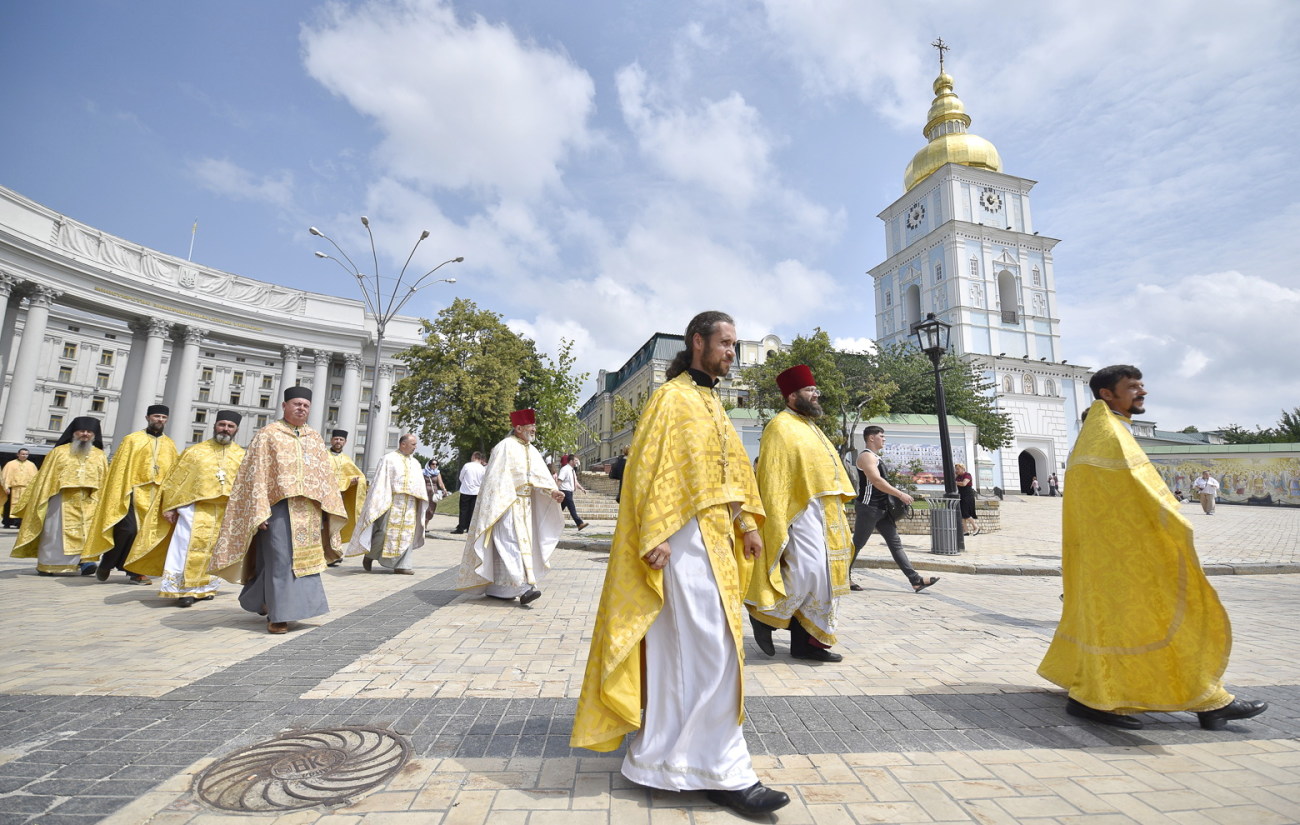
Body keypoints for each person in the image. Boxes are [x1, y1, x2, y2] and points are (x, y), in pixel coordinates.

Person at [572, 311, 788, 818]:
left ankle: (668, 760)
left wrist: (748, 524)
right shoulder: (670, 399)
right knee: (708, 650)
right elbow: (650, 472)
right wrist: (656, 535)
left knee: (693, 651)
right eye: (725, 343)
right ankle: (722, 771)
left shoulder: (712, 401)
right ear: (697, 342)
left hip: (716, 541)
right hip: (680, 542)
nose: (732, 352)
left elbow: (732, 470)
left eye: (735, 344)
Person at [1039, 364, 1266, 731]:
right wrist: (1175, 521)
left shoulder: (1103, 430)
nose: (1141, 391)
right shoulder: (1109, 433)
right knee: (1168, 619)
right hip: (1125, 556)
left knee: (1150, 624)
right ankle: (1095, 699)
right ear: (1106, 394)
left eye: (1142, 385)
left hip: (1117, 555)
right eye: (1132, 387)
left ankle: (1208, 703)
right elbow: (1142, 488)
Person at [209, 387, 347, 634]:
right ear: (284, 406)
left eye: (305, 405)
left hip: (309, 510)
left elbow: (325, 476)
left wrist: (327, 510)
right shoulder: (268, 435)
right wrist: (258, 510)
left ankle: (271, 602)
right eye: (296, 404)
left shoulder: (314, 438)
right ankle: (278, 615)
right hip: (278, 508)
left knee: (307, 562)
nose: (301, 408)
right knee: (280, 561)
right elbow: (254, 474)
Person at [747, 365, 856, 663]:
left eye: (815, 390)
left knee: (826, 577)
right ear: (792, 395)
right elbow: (773, 476)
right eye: (810, 391)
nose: (816, 395)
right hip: (799, 511)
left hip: (826, 511)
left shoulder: (811, 426)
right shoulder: (780, 426)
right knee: (807, 569)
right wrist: (776, 516)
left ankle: (808, 643)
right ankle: (764, 615)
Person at [124, 411, 246, 606]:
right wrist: (170, 507)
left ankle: (205, 588)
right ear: (215, 426)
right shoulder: (195, 452)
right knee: (185, 549)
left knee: (213, 552)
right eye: (222, 424)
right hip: (193, 510)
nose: (225, 429)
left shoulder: (241, 455)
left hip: (224, 511)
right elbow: (175, 481)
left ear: (236, 429)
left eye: (230, 426)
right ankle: (183, 590)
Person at [456, 409, 563, 604]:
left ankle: (499, 588)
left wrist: (552, 491)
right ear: (519, 428)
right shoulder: (504, 447)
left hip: (526, 506)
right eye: (531, 426)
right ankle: (523, 588)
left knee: (522, 545)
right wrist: (502, 500)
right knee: (511, 543)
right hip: (506, 504)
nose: (534, 429)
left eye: (535, 426)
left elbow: (541, 477)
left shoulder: (532, 449)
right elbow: (495, 479)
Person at [89, 405, 179, 585]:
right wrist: (121, 491)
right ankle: (108, 562)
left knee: (147, 535)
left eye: (163, 417)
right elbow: (120, 469)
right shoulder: (132, 440)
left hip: (157, 496)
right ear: (147, 418)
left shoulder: (169, 444)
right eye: (156, 416)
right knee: (128, 530)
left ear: (166, 420)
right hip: (133, 493)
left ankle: (136, 572)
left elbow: (174, 472)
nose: (159, 420)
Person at [10, 418, 107, 576]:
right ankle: (48, 565)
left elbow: (104, 479)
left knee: (86, 531)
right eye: (82, 431)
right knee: (54, 533)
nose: (85, 434)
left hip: (89, 500)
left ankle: (84, 562)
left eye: (89, 432)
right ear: (73, 432)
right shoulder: (59, 452)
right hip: (60, 499)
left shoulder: (99, 455)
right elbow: (45, 478)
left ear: (94, 435)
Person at [851, 426, 938, 593]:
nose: (884, 439)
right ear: (871, 438)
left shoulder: (875, 457)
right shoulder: (866, 456)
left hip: (882, 509)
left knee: (895, 544)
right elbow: (876, 481)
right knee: (858, 544)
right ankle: (841, 577)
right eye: (881, 436)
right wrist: (900, 494)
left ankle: (916, 580)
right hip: (869, 507)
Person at [350, 433, 428, 575]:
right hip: (391, 501)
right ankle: (370, 555)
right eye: (413, 444)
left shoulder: (416, 463)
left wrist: (421, 501)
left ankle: (402, 565)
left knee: (407, 534)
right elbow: (380, 481)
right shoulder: (388, 459)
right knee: (385, 532)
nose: (415, 447)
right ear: (403, 444)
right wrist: (379, 500)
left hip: (410, 503)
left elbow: (420, 484)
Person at [326, 430, 368, 561]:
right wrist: (347, 482)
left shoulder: (346, 460)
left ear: (345, 442)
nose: (338, 442)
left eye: (341, 440)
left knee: (337, 524)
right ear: (331, 440)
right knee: (325, 526)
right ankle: (326, 553)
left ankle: (335, 553)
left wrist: (355, 482)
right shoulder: (323, 456)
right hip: (325, 497)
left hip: (340, 499)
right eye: (336, 439)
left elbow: (359, 476)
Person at [1, 448, 38, 529]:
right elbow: (5, 476)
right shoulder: (10, 464)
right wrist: (6, 487)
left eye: (26, 454)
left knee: (23, 506)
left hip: (26, 489)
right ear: (18, 454)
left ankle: (19, 523)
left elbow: (35, 478)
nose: (24, 456)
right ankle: (7, 522)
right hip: (13, 489)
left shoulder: (31, 465)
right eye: (23, 454)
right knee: (9, 506)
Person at [452, 452, 486, 534]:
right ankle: (469, 527)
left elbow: (461, 477)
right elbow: (483, 480)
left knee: (463, 510)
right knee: (472, 510)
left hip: (466, 490)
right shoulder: (482, 468)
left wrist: (465, 483)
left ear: (474, 457)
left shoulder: (467, 465)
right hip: (476, 491)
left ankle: (461, 527)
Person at [556, 454, 589, 530]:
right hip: (565, 491)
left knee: (560, 508)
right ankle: (579, 523)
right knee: (572, 507)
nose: (577, 462)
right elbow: (560, 480)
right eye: (575, 460)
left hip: (569, 492)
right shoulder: (565, 469)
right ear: (571, 461)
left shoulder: (572, 470)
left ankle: (550, 521)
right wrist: (555, 490)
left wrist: (582, 488)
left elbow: (575, 482)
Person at [955, 462, 979, 536]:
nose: (956, 470)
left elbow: (964, 484)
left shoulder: (967, 475)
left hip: (968, 495)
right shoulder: (957, 477)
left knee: (966, 513)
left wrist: (955, 482)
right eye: (956, 469)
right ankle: (966, 531)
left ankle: (976, 527)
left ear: (962, 468)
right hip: (961, 495)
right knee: (962, 514)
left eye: (958, 469)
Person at [423, 458, 447, 530]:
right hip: (425, 491)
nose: (435, 465)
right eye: (433, 464)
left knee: (431, 509)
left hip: (434, 492)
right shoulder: (423, 472)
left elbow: (440, 483)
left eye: (436, 464)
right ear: (429, 464)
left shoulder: (437, 473)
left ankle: (426, 525)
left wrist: (444, 489)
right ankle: (421, 525)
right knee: (424, 508)